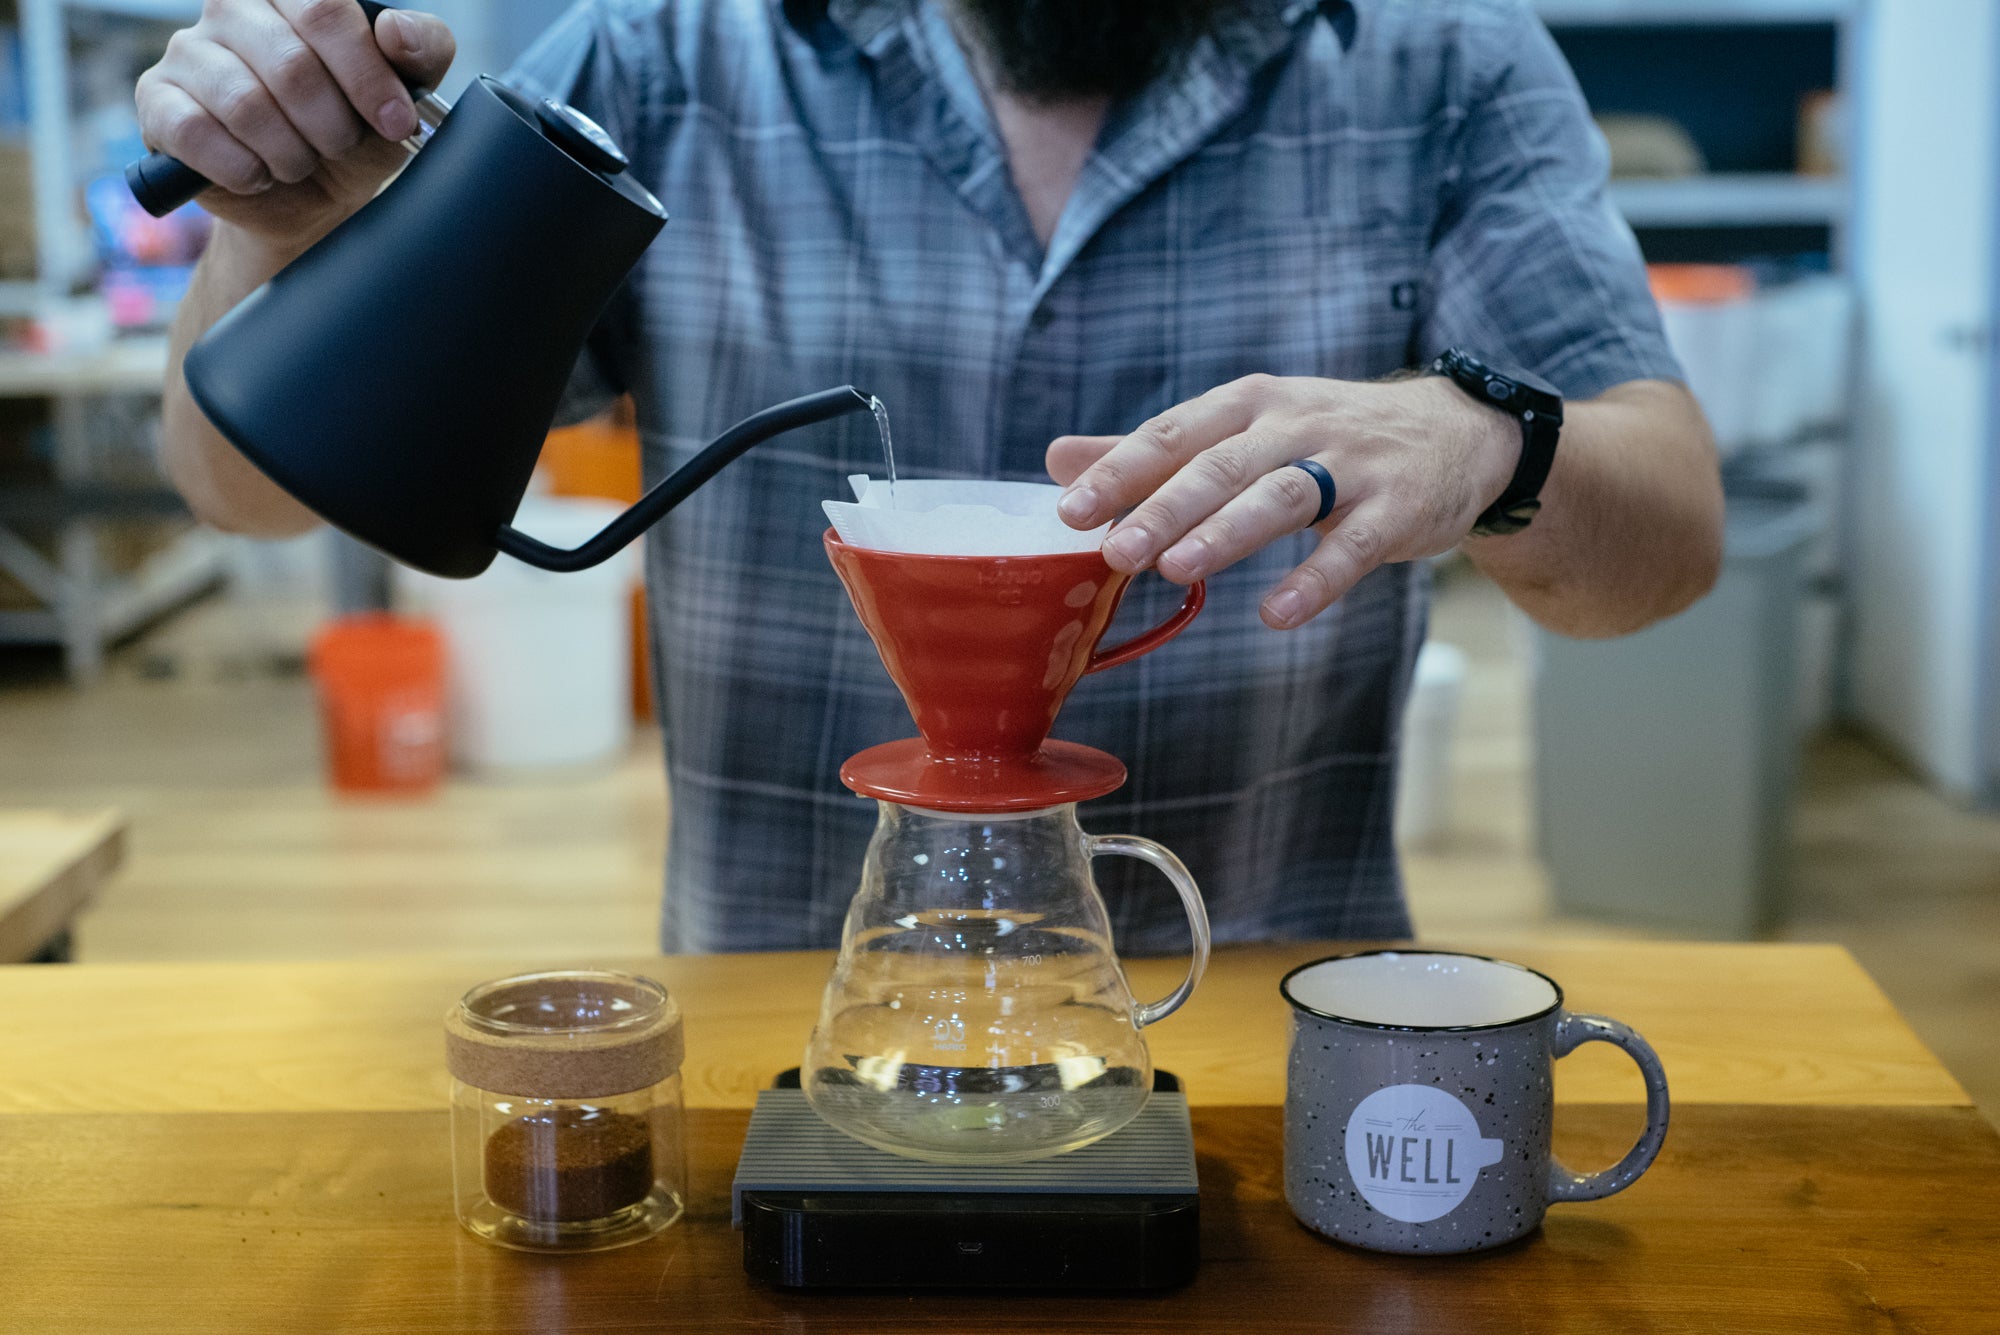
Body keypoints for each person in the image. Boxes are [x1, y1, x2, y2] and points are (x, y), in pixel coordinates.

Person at [142, 0, 1723, 952]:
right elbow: (248, 494)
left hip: (1261, 1029)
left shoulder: (1438, 61)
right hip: (793, 1020)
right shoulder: (664, 57)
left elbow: (1668, 541)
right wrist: (277, 229)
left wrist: (1489, 441)